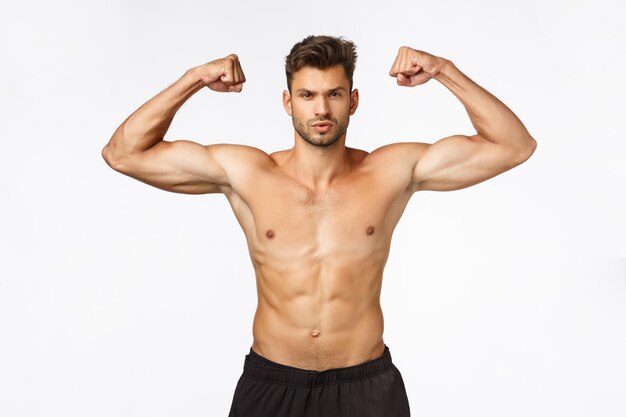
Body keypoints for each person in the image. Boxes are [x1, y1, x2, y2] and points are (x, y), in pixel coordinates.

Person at [101, 35, 536, 417]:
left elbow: (514, 146)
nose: (321, 108)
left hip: (366, 387)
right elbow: (123, 153)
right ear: (288, 102)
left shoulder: (389, 171)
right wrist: (193, 78)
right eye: (307, 95)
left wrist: (445, 70)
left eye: (334, 94)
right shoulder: (248, 173)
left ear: (354, 100)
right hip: (272, 385)